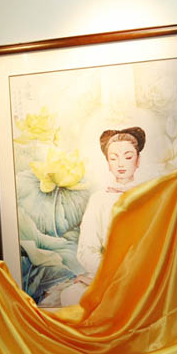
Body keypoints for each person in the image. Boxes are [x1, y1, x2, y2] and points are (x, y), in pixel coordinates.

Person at [56, 127, 145, 306]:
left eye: (128, 157)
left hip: (142, 273)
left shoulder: (149, 195)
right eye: (113, 158)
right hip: (105, 272)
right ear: (108, 163)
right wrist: (109, 276)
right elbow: (86, 250)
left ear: (138, 160)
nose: (120, 164)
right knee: (71, 297)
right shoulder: (99, 199)